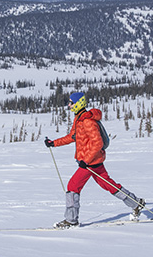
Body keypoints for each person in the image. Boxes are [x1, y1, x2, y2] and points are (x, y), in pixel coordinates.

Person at [44, 91, 145, 228]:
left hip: (90, 163)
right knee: (108, 185)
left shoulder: (87, 121)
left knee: (73, 187)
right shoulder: (79, 119)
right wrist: (53, 143)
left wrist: (86, 160)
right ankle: (136, 203)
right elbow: (72, 137)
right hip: (92, 161)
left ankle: (71, 220)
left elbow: (97, 143)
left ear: (79, 103)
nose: (69, 105)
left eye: (71, 103)